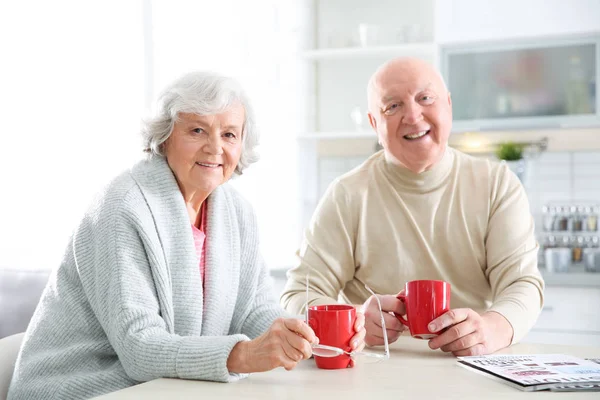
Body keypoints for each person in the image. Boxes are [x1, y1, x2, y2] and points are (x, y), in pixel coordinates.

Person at [8, 72, 366, 400]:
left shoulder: (237, 212)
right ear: (164, 138)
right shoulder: (122, 208)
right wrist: (243, 355)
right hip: (85, 387)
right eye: (197, 131)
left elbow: (254, 311)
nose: (215, 148)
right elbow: (140, 348)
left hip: (167, 389)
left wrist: (301, 337)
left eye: (229, 134)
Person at [281, 57, 544, 357]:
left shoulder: (497, 185)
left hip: (474, 367)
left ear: (448, 105)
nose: (413, 115)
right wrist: (354, 319)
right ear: (374, 123)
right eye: (393, 106)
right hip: (373, 373)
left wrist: (492, 329)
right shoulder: (347, 195)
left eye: (425, 98)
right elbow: (298, 294)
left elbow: (522, 284)